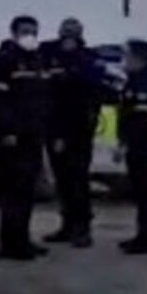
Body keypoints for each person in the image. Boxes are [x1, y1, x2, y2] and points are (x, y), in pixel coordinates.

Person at [0, 16, 53, 261]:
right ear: (14, 33)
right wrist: (7, 131)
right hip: (13, 136)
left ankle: (22, 238)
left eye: (34, 31)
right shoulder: (4, 60)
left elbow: (43, 97)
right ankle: (10, 244)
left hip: (33, 134)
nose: (30, 36)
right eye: (25, 31)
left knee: (26, 191)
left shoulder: (37, 60)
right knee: (14, 191)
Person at [42, 18, 105, 247]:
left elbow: (92, 87)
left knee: (78, 179)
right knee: (62, 179)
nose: (68, 36)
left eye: (73, 32)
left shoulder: (88, 58)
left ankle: (82, 228)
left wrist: (69, 72)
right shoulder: (49, 53)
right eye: (65, 32)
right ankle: (67, 224)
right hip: (54, 126)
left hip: (78, 128)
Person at [117, 38, 147, 255]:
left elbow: (141, 119)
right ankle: (142, 235)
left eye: (127, 55)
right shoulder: (134, 80)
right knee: (140, 192)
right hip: (136, 145)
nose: (124, 60)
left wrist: (127, 142)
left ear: (139, 59)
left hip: (145, 146)